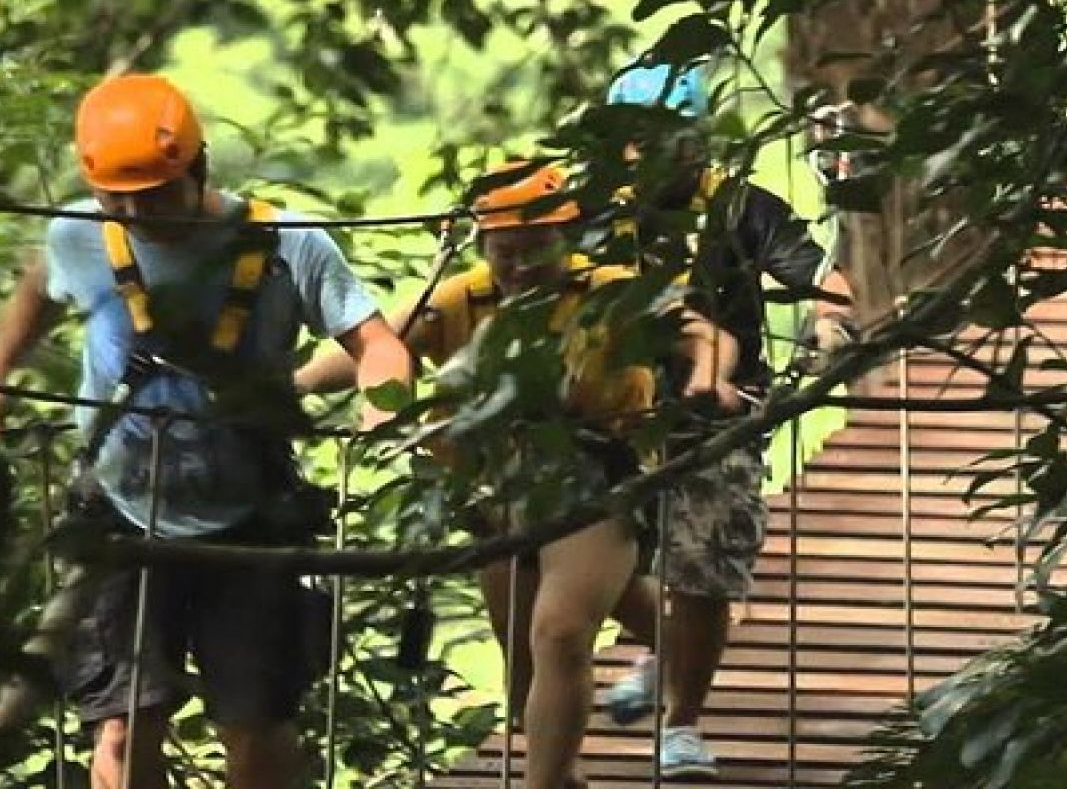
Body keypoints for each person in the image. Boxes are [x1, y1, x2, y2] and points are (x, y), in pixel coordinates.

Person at [0, 74, 413, 789]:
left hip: (251, 517)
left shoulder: (289, 245)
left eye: (154, 194)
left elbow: (377, 342)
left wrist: (384, 397)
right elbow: (38, 289)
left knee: (256, 731)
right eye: (115, 197)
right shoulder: (79, 234)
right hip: (120, 514)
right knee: (124, 729)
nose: (134, 212)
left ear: (197, 168)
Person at [295, 161, 739, 789]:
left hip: (594, 478)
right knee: (524, 670)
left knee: (559, 631)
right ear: (484, 249)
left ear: (569, 238)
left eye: (538, 248)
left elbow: (703, 336)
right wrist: (289, 392)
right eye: (507, 252)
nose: (522, 266)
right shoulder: (463, 300)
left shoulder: (609, 291)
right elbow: (377, 347)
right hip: (493, 491)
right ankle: (581, 754)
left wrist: (707, 379)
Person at [597, 59, 859, 779]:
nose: (650, 155)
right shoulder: (593, 216)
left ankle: (681, 723)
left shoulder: (743, 207)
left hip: (719, 418)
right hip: (610, 416)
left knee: (704, 573)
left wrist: (829, 325)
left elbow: (821, 278)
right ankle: (662, 647)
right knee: (586, 561)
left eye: (669, 139)